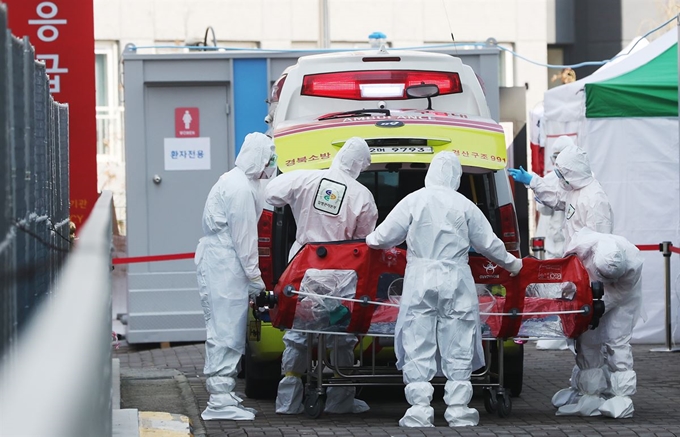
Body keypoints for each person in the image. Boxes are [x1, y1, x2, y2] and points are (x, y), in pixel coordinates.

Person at [365, 151, 522, 427]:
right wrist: (514, 265)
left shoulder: (414, 200)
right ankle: (459, 410)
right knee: (459, 339)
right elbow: (490, 243)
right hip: (456, 277)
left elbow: (383, 237)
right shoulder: (464, 204)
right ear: (456, 176)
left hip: (420, 277)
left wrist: (367, 237)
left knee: (418, 338)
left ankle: (419, 409)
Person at [265, 137, 378, 415]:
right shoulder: (362, 194)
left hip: (303, 271)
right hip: (340, 276)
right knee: (341, 336)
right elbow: (365, 241)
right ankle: (340, 402)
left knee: (298, 334)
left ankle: (288, 403)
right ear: (360, 165)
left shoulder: (307, 179)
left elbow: (271, 193)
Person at [194, 132, 277, 420]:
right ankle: (218, 399)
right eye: (269, 157)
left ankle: (225, 392)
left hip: (224, 262)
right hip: (225, 263)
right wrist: (256, 278)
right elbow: (245, 240)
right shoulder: (240, 188)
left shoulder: (239, 181)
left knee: (227, 325)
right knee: (225, 329)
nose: (271, 163)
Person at [553, 228, 643, 418]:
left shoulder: (633, 262)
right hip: (589, 293)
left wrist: (592, 307)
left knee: (617, 340)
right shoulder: (581, 248)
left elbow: (617, 294)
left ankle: (622, 397)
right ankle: (590, 394)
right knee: (587, 338)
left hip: (623, 300)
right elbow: (567, 278)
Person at [508, 137, 613, 250]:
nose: (560, 179)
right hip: (573, 254)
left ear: (573, 172)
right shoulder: (576, 190)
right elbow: (557, 199)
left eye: (562, 174)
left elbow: (599, 245)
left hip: (586, 262)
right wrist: (533, 181)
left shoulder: (594, 199)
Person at [533, 136, 570, 350]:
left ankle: (568, 332)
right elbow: (545, 210)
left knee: (570, 290)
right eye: (554, 157)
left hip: (571, 244)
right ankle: (553, 332)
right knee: (551, 290)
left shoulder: (584, 179)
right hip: (553, 245)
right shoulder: (549, 178)